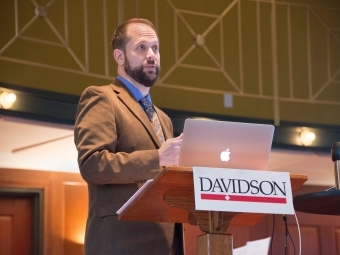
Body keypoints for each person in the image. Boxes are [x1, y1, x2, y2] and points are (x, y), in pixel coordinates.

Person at [74, 18, 183, 255]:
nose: (151, 55)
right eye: (141, 47)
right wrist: (157, 158)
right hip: (120, 242)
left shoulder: (163, 119)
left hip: (166, 244)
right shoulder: (102, 98)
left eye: (155, 48)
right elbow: (93, 164)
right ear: (120, 57)